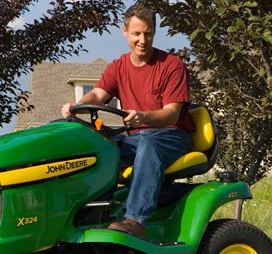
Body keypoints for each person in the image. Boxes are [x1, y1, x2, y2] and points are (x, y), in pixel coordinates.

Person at [61, 4, 195, 239]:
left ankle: (136, 220)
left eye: (148, 33)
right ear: (125, 32)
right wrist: (76, 107)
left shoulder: (172, 66)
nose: (142, 40)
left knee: (147, 141)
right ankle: (89, 215)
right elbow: (98, 96)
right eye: (136, 33)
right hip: (136, 139)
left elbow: (172, 114)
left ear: (154, 32)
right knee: (99, 148)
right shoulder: (119, 67)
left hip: (172, 136)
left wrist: (143, 116)